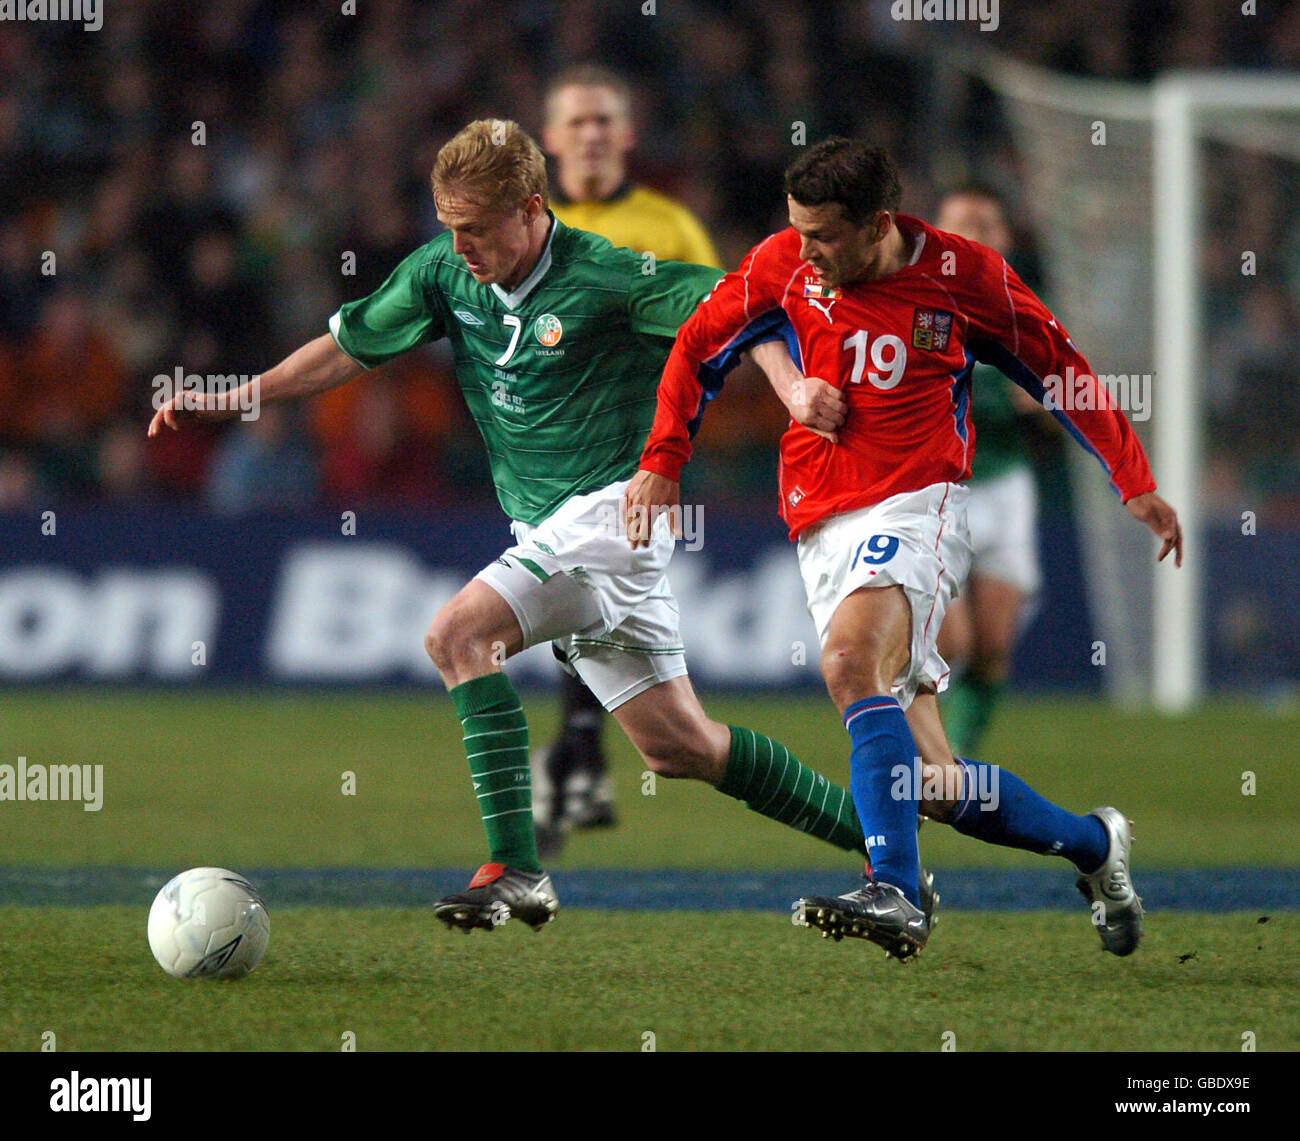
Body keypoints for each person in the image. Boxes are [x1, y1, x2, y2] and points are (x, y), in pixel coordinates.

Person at [149, 120, 931, 934]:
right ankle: (892, 858)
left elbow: (741, 311)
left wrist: (796, 389)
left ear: (530, 207)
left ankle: (517, 869)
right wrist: (237, 395)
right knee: (682, 747)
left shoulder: (610, 278)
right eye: (449, 228)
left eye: (477, 229)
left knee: (457, 637)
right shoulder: (443, 271)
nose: (462, 247)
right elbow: (347, 349)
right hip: (546, 532)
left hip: (611, 518)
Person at [625, 137, 1182, 961]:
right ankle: (1096, 845)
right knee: (931, 784)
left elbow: (1058, 368)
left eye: (823, 236)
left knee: (851, 664)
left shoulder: (967, 278)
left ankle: (893, 888)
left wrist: (1130, 476)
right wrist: (662, 462)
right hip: (819, 521)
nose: (804, 250)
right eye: (797, 231)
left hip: (921, 507)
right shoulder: (784, 263)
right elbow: (698, 346)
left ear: (879, 225)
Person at [531, 64, 723, 849]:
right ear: (549, 138)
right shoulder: (525, 226)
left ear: (629, 133)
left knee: (591, 595)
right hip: (547, 446)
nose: (591, 133)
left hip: (641, 450)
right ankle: (575, 760)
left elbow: (720, 324)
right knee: (578, 598)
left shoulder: (669, 227)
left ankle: (573, 762)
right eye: (576, 121)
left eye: (604, 119)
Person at [932, 185, 1051, 755]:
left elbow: (1068, 411)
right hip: (940, 488)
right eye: (963, 222)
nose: (975, 234)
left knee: (993, 646)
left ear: (1004, 237)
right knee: (952, 643)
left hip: (1005, 485)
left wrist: (1049, 406)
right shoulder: (921, 303)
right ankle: (922, 760)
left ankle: (955, 760)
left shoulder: (1029, 311)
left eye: (986, 223)